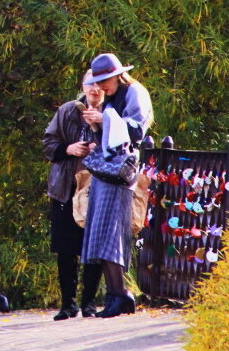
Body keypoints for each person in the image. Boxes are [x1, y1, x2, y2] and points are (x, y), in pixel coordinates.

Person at [80, 52, 153, 318]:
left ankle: (120, 295)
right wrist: (95, 116)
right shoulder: (108, 95)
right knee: (100, 232)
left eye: (104, 81)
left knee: (112, 232)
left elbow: (136, 131)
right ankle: (116, 294)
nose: (100, 86)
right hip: (104, 170)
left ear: (116, 75)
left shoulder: (135, 92)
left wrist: (105, 119)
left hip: (120, 171)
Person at [43, 69, 103, 320]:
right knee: (66, 249)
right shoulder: (67, 110)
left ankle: (89, 303)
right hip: (66, 189)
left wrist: (99, 132)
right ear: (83, 85)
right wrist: (69, 148)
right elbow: (48, 143)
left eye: (100, 83)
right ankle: (68, 304)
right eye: (90, 83)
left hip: (98, 189)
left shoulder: (111, 113)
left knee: (94, 248)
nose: (94, 88)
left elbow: (124, 146)